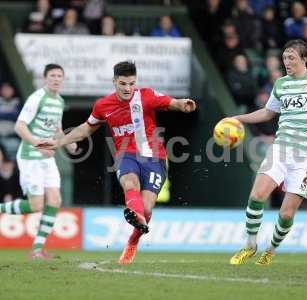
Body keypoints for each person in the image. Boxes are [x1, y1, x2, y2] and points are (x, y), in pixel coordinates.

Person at [37, 61, 196, 264]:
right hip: (125, 155)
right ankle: (134, 211)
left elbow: (171, 102)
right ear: (114, 81)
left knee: (146, 209)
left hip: (154, 157)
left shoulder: (145, 95)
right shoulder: (103, 105)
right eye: (123, 83)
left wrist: (182, 104)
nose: (128, 88)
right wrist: (58, 142)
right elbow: (85, 129)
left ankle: (132, 241)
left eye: (131, 83)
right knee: (130, 182)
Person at [229, 39, 307, 266]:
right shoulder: (281, 84)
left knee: (286, 214)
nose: (287, 62)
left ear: (304, 59)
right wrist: (238, 118)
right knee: (256, 196)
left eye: (292, 58)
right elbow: (267, 113)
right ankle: (250, 245)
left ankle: (271, 250)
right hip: (280, 148)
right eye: (285, 58)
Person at [0, 64, 77, 259]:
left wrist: (68, 143)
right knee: (35, 206)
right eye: (52, 75)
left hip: (46, 157)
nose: (56, 78)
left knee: (55, 200)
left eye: (60, 75)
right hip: (30, 157)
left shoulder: (59, 101)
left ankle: (37, 250)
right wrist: (37, 144)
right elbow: (19, 126)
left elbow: (56, 129)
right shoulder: (37, 98)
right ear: (45, 78)